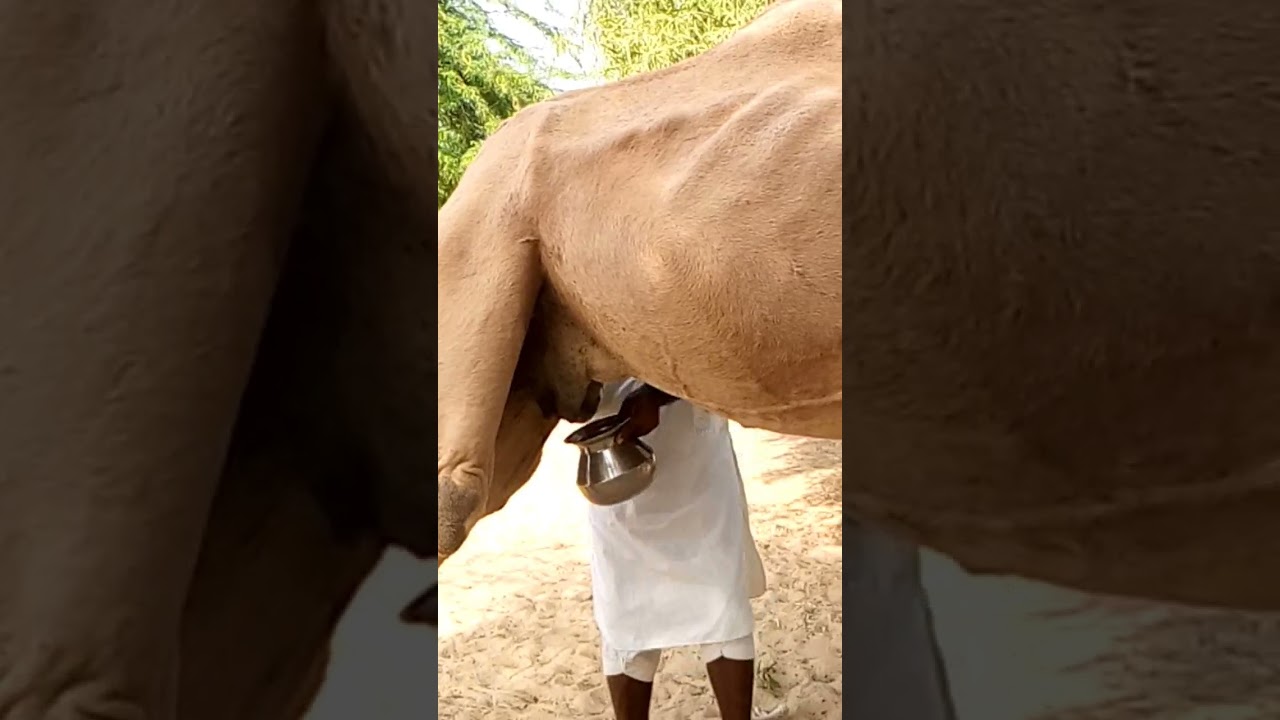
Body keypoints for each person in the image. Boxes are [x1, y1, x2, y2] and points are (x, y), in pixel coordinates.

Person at [587, 379, 773, 720]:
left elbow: (717, 345)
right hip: (614, 443)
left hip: (693, 432)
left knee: (720, 604)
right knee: (626, 611)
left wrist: (657, 395)